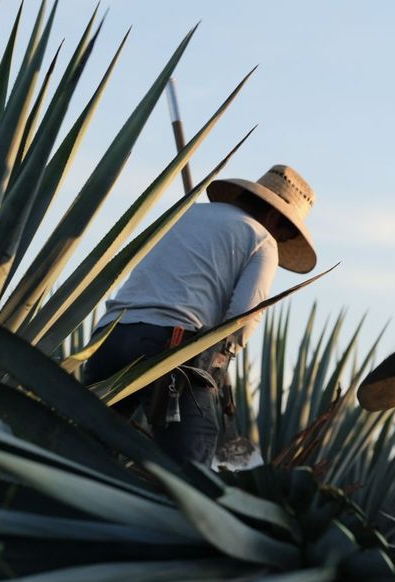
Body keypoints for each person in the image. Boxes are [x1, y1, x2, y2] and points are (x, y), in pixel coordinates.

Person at [84, 164, 317, 467]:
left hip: (109, 338)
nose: (281, 240)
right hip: (168, 346)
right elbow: (242, 320)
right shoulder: (263, 240)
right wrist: (218, 364)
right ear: (275, 217)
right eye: (286, 233)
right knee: (192, 462)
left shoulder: (188, 213)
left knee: (86, 451)